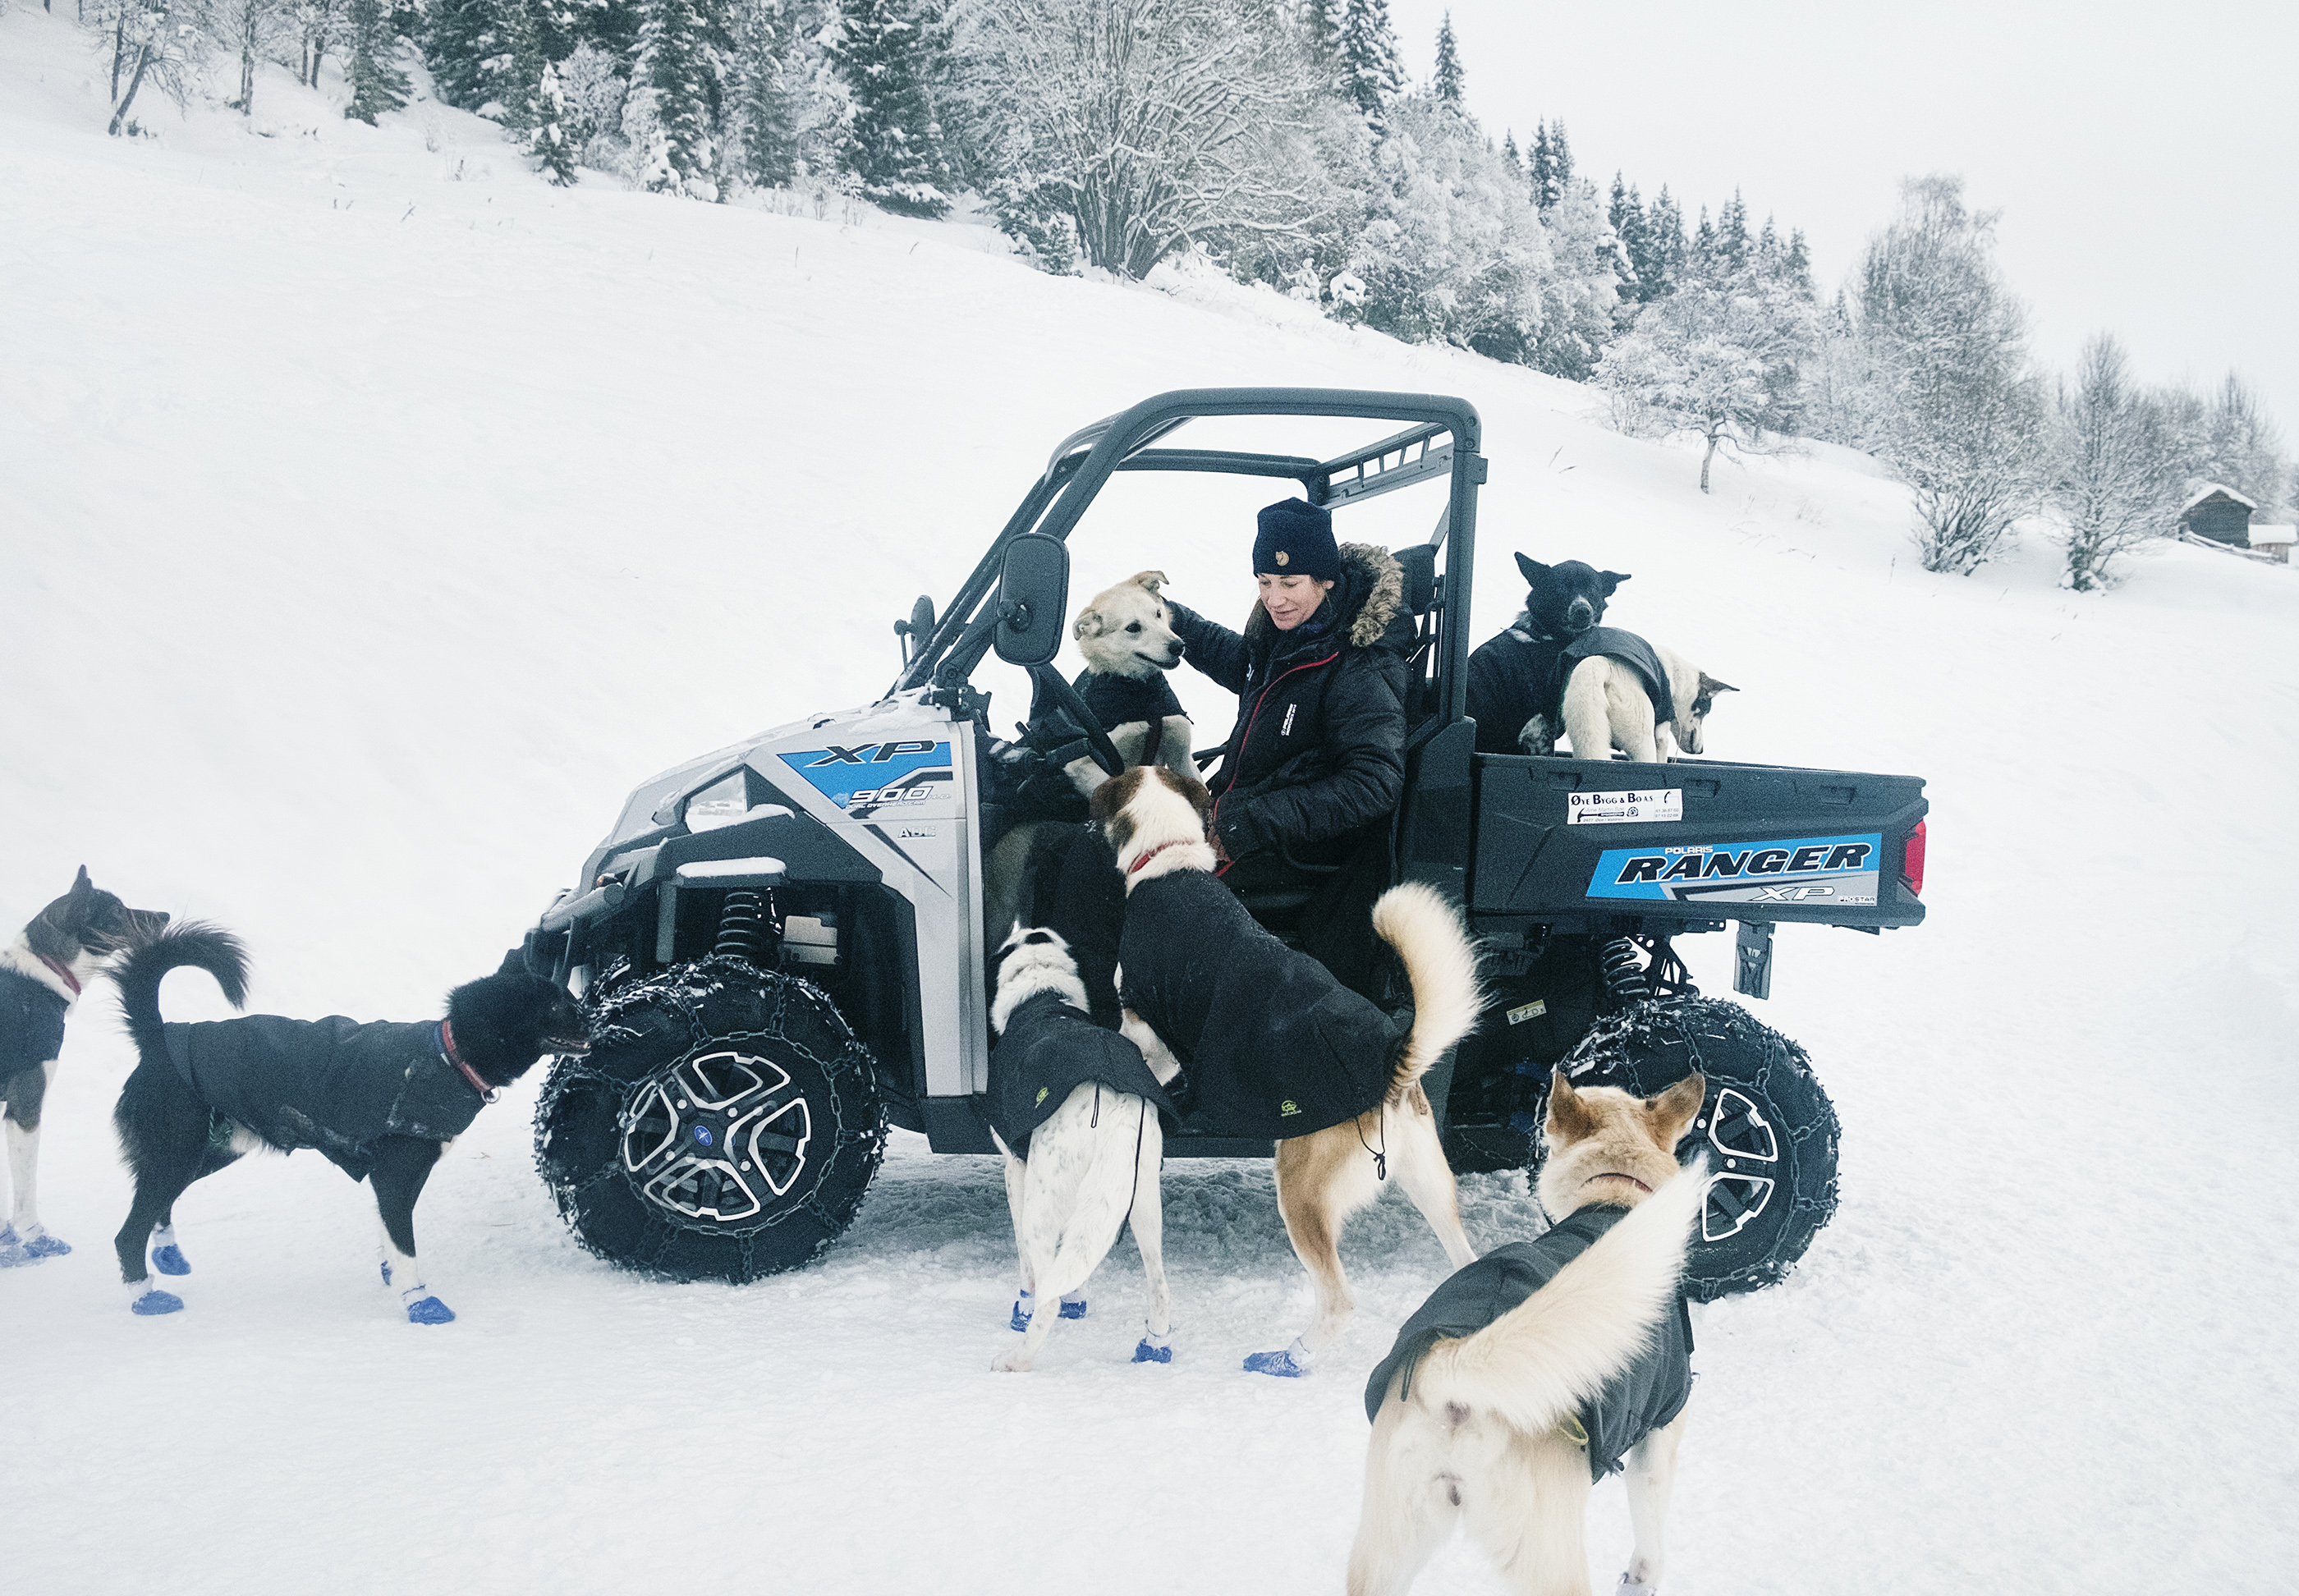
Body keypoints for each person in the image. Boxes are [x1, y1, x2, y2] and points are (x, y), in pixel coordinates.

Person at [1163, 498, 1413, 992]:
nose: (1274, 599)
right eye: (1264, 582)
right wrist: (1171, 618)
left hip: (1295, 852)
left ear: (1326, 581)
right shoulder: (1291, 639)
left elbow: (1374, 783)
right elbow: (1247, 668)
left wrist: (1251, 823)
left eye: (1290, 583)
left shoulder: (1357, 666)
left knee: (1158, 900)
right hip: (1242, 821)